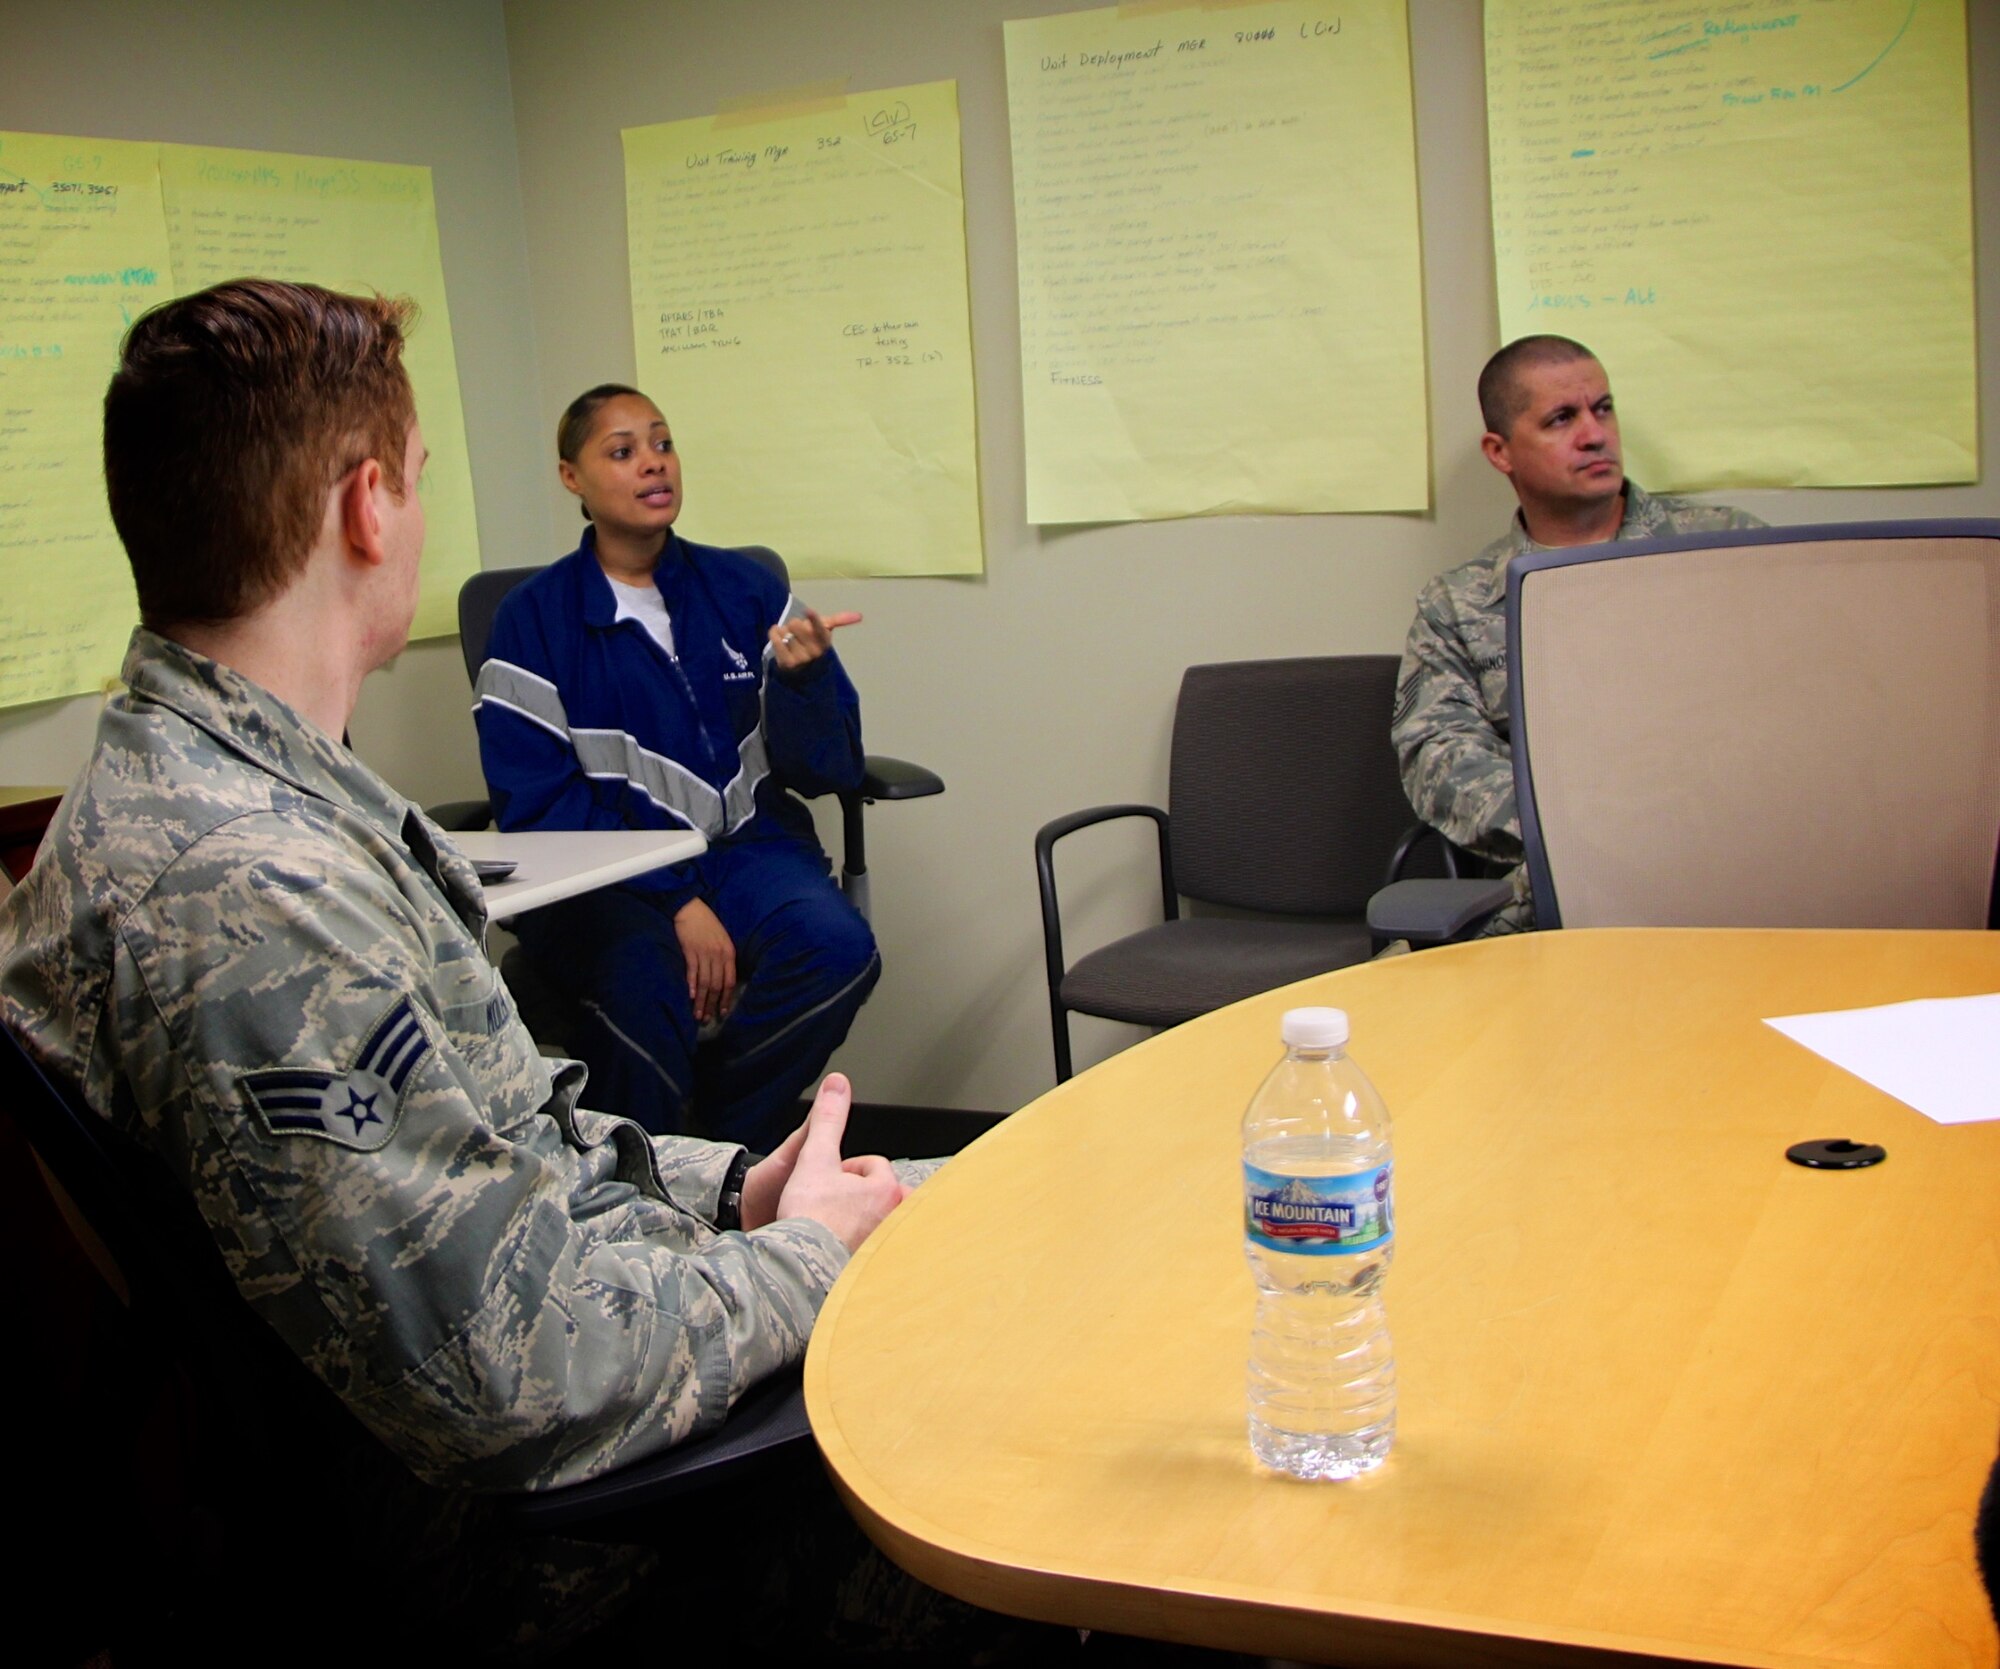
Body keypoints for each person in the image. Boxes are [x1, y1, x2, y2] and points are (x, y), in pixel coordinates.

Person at [0, 281, 932, 1655]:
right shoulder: (252, 894)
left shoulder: (252, 788)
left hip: (561, 1359)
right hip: (550, 1546)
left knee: (942, 1228)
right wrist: (804, 1263)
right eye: (423, 480)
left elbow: (503, 1138)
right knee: (997, 1473)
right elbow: (522, 1373)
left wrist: (734, 1186)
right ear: (369, 507)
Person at [473, 385, 877, 1148]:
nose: (653, 464)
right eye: (622, 451)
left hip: (749, 850)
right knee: (644, 982)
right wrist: (677, 900)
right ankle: (645, 1191)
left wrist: (805, 680)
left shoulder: (745, 587)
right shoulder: (532, 617)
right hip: (607, 874)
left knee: (837, 947)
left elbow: (830, 767)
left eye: (661, 443)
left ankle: (712, 1146)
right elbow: (535, 800)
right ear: (572, 478)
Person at [1391, 335, 1765, 933]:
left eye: (1604, 408)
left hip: (1743, 873)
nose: (1594, 434)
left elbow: (1811, 702)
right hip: (1558, 895)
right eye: (1562, 419)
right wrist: (1580, 834)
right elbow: (1440, 757)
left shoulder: (1729, 550)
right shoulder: (1457, 605)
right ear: (1501, 451)